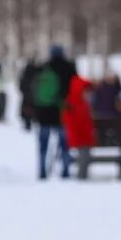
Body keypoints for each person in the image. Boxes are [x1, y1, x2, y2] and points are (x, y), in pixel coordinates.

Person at [31, 44, 76, 179]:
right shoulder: (69, 67)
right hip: (62, 111)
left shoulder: (44, 67)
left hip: (44, 113)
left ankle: (42, 172)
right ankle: (65, 171)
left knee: (43, 145)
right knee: (64, 144)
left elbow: (34, 88)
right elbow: (75, 88)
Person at [61, 74, 95, 178]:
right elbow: (68, 121)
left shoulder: (83, 103)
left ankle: (83, 175)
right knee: (83, 156)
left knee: (85, 156)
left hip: (84, 136)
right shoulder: (73, 103)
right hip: (79, 136)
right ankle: (81, 176)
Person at [18, 58, 40, 131]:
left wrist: (24, 92)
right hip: (35, 96)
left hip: (27, 96)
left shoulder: (25, 74)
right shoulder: (37, 73)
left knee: (27, 110)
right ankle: (35, 121)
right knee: (34, 109)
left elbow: (21, 86)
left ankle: (28, 124)